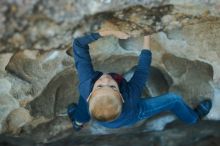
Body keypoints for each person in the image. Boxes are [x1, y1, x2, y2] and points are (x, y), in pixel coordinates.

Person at [67, 30, 212, 131]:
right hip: (133, 113)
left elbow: (79, 45)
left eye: (100, 86)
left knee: (84, 102)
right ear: (121, 96)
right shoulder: (131, 96)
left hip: (103, 115)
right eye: (112, 86)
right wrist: (147, 36)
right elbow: (142, 70)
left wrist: (109, 31)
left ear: (91, 93)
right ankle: (192, 118)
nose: (105, 78)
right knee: (174, 99)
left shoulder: (86, 86)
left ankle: (78, 122)